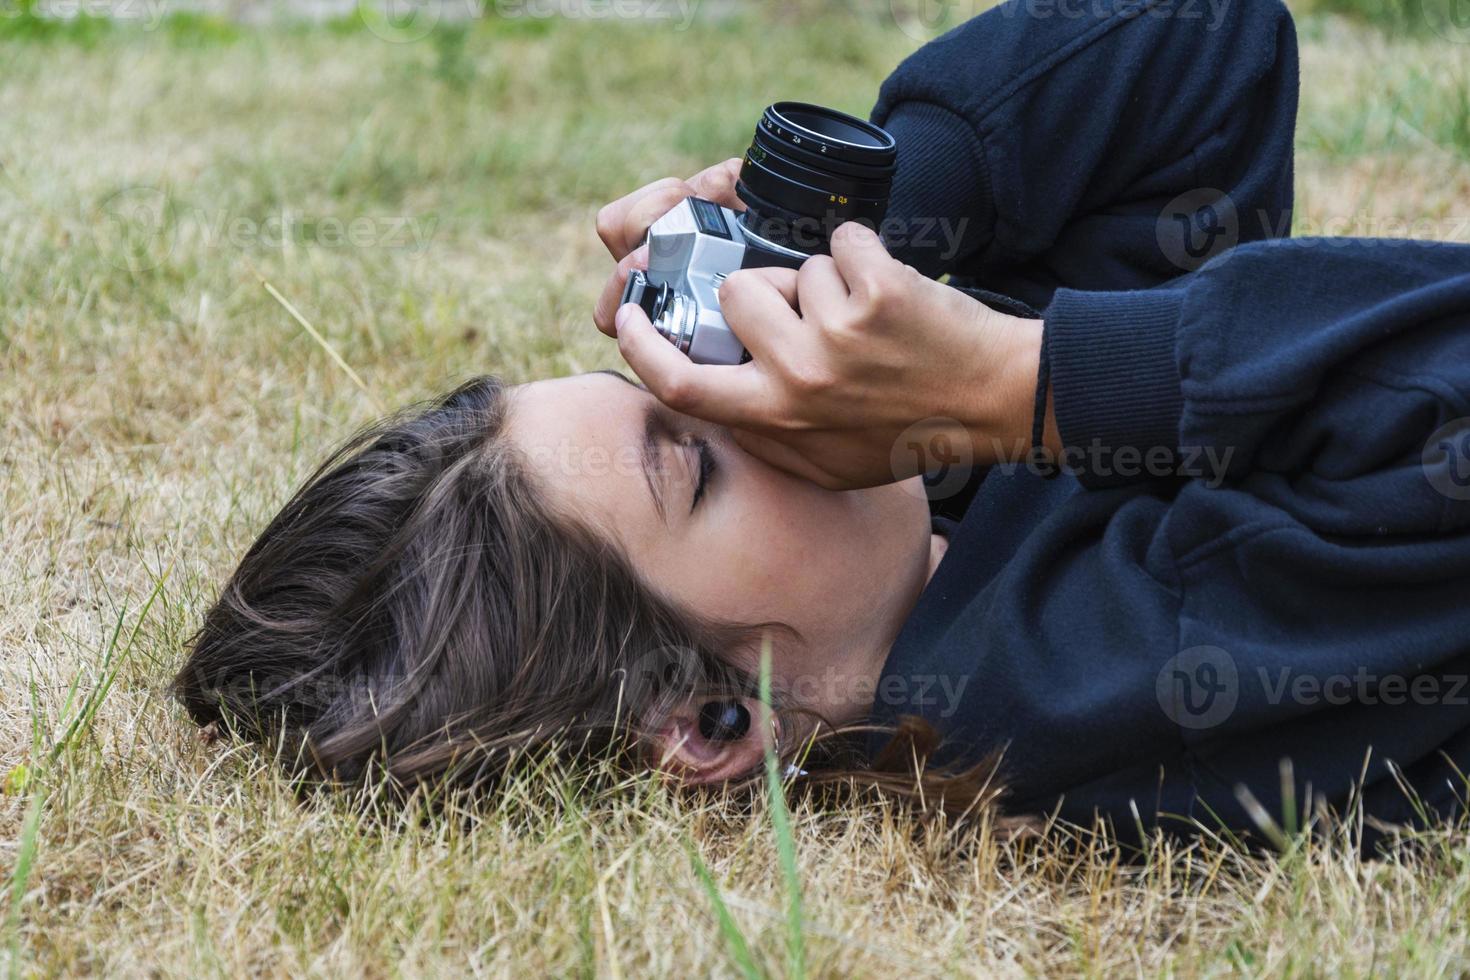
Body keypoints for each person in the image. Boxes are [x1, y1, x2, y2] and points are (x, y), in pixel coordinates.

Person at [176, 0, 1470, 849]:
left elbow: (1198, 39)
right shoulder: (1101, 686)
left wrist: (856, 234)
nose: (742, 379)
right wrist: (1023, 385)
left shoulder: (923, 532)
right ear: (708, 726)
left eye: (670, 380)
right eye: (688, 457)